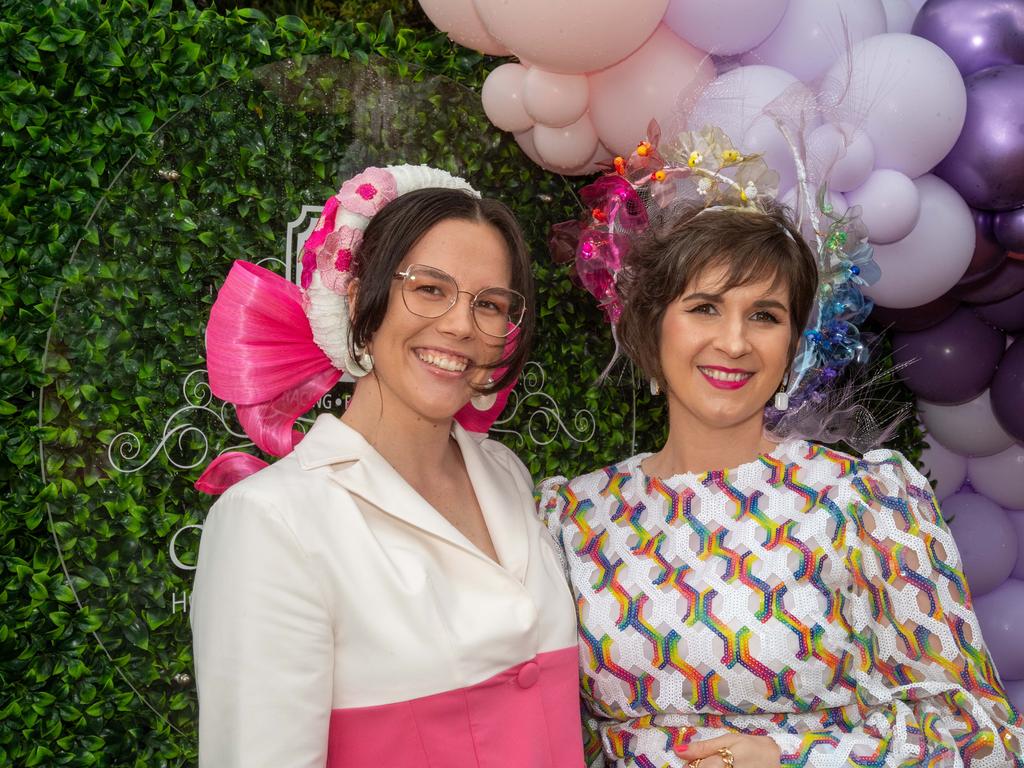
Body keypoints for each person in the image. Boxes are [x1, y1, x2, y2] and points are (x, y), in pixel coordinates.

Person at [539, 132, 1024, 767]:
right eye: (705, 308)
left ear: (794, 344)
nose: (735, 341)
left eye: (765, 315)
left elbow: (985, 740)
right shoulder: (572, 517)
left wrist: (792, 758)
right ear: (649, 327)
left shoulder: (864, 501)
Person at [191, 165, 584, 768]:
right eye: (429, 288)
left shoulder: (505, 473)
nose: (459, 324)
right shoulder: (270, 522)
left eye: (489, 304)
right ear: (358, 300)